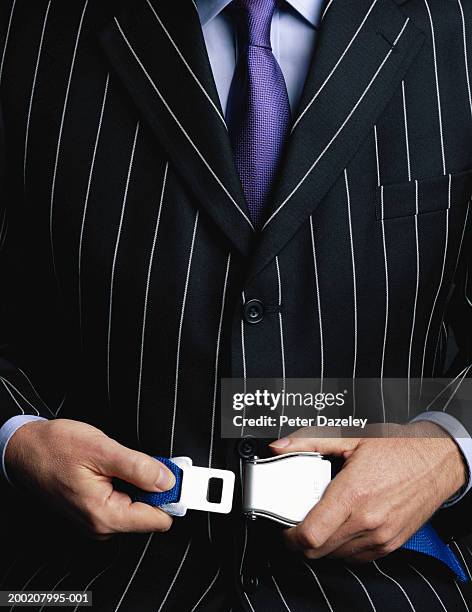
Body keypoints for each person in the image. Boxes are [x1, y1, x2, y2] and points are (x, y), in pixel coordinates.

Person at [0, 0, 472, 610]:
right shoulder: (27, 27)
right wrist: (16, 440)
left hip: (391, 580)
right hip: (79, 579)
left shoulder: (454, 24)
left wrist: (448, 452)